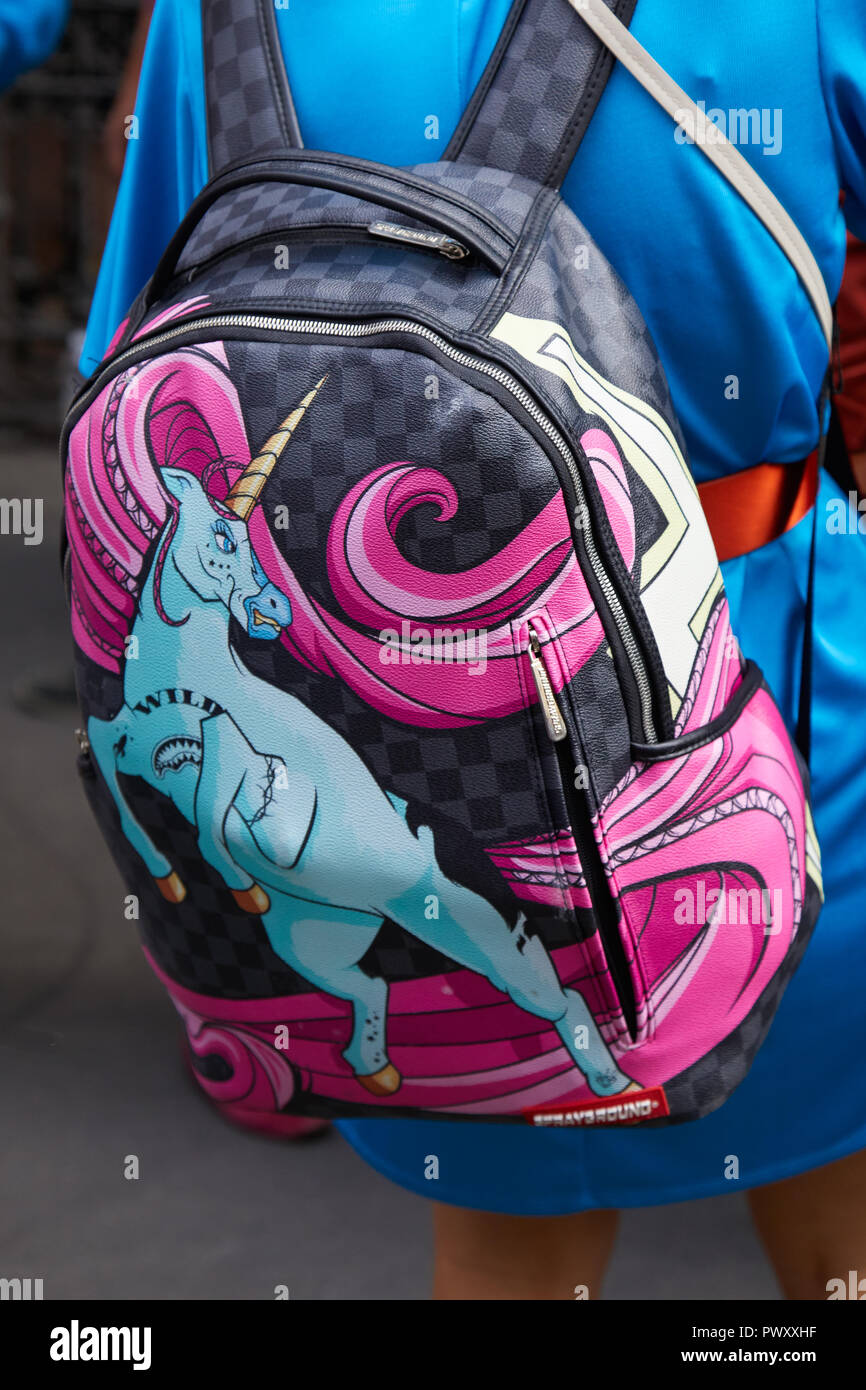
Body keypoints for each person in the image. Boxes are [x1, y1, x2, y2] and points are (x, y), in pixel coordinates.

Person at [80, 0, 866, 1301]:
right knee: (840, 1236)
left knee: (505, 1262)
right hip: (782, 766)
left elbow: (152, 346)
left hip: (423, 797)